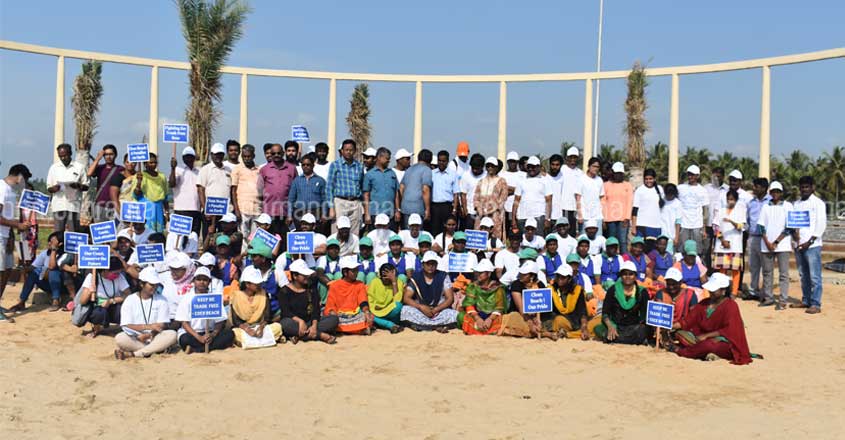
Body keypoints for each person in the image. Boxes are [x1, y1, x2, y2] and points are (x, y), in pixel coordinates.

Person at [668, 272, 752, 364]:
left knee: (709, 345)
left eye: (714, 290)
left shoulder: (731, 305)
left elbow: (730, 330)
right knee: (680, 334)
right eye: (710, 290)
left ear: (723, 291)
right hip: (700, 336)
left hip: (723, 341)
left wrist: (707, 336)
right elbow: (688, 320)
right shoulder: (704, 303)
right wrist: (670, 326)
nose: (711, 292)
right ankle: (704, 353)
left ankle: (681, 351)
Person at [113, 267, 177, 360]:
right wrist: (147, 328)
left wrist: (150, 335)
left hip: (155, 337)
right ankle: (156, 349)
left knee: (172, 334)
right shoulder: (130, 299)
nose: (154, 288)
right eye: (151, 285)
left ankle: (134, 354)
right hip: (136, 337)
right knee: (120, 338)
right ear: (141, 284)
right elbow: (126, 325)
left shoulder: (161, 299)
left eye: (156, 285)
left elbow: (161, 325)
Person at [175, 267, 235, 353]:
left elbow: (220, 321)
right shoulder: (187, 298)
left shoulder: (214, 297)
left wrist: (213, 335)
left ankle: (196, 349)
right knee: (184, 339)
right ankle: (205, 347)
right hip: (193, 333)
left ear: (209, 282)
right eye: (199, 279)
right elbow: (184, 322)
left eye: (205, 280)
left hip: (210, 332)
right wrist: (199, 337)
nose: (201, 282)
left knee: (229, 334)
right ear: (194, 281)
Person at [279, 260, 338, 343]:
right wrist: (300, 321)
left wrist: (314, 325)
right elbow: (286, 312)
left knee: (333, 319)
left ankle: (300, 335)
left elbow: (316, 310)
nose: (307, 277)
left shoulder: (311, 289)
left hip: (310, 321)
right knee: (285, 324)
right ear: (295, 276)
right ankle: (319, 335)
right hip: (294, 322)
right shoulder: (284, 291)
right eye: (304, 275)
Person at [790, 175, 826, 314]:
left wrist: (810, 241)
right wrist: (794, 236)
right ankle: (806, 300)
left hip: (812, 246)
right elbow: (793, 224)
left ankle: (816, 303)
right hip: (798, 245)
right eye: (802, 187)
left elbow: (821, 225)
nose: (804, 189)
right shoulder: (796, 204)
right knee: (803, 275)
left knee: (815, 276)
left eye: (807, 187)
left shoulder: (818, 203)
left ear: (812, 188)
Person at [0, 164, 31, 319]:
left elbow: (8, 216)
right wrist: (17, 225)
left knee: (7, 270)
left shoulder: (11, 191)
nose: (24, 183)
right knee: (0, 272)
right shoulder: (2, 188)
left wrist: (12, 234)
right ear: (19, 176)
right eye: (24, 179)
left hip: (6, 235)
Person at [7, 231, 65, 314]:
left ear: (60, 244)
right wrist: (25, 268)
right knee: (33, 273)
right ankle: (22, 302)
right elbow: (33, 267)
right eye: (49, 241)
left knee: (53, 271)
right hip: (47, 284)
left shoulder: (64, 255)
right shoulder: (45, 253)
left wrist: (54, 250)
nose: (49, 243)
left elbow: (52, 267)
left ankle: (56, 300)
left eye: (52, 242)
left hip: (61, 285)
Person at [400, 251, 458, 332]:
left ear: (436, 265)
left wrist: (437, 309)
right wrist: (421, 307)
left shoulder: (443, 276)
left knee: (453, 314)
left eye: (433, 264)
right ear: (423, 264)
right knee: (405, 310)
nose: (430, 266)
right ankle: (438, 326)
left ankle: (423, 326)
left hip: (439, 310)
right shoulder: (416, 277)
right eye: (428, 264)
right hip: (421, 310)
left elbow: (450, 299)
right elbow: (406, 298)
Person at [595, 261, 650, 345]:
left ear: (635, 276)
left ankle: (618, 339)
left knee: (643, 330)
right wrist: (610, 326)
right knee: (599, 329)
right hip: (616, 325)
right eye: (625, 274)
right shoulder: (613, 290)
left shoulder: (642, 292)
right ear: (621, 276)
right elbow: (605, 313)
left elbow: (645, 314)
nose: (627, 277)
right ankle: (629, 339)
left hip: (633, 327)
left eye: (631, 274)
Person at [757, 181, 793, 310]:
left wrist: (776, 242)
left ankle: (783, 300)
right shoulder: (766, 206)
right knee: (767, 272)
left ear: (781, 193)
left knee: (783, 273)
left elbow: (790, 227)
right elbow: (761, 226)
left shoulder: (788, 206)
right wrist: (767, 242)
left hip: (782, 245)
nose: (775, 194)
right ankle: (769, 298)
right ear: (770, 193)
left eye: (778, 191)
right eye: (773, 191)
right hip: (766, 245)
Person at [499, 261, 557, 339]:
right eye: (521, 273)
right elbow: (521, 309)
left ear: (532, 276)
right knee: (515, 320)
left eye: (524, 274)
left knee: (551, 321)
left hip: (537, 317)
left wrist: (536, 319)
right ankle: (545, 334)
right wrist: (530, 322)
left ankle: (540, 331)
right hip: (521, 315)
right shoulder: (516, 285)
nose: (521, 275)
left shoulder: (540, 285)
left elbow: (542, 304)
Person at [230, 266, 283, 348]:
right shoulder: (236, 296)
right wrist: (247, 329)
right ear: (247, 284)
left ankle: (251, 343)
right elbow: (236, 321)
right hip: (244, 328)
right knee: (234, 333)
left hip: (260, 327)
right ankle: (265, 341)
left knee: (277, 327)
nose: (259, 285)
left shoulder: (263, 294)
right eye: (256, 283)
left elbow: (267, 317)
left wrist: (261, 328)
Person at [79, 257, 131, 337]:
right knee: (99, 313)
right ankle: (96, 328)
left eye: (119, 273)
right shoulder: (92, 277)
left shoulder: (119, 277)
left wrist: (111, 301)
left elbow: (128, 294)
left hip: (113, 305)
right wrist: (90, 291)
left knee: (122, 310)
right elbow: (82, 301)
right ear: (106, 270)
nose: (117, 275)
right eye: (115, 273)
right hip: (97, 308)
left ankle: (124, 327)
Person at [543, 264, 598, 339]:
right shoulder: (550, 290)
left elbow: (582, 311)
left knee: (597, 322)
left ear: (569, 279)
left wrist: (584, 326)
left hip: (575, 321)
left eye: (563, 277)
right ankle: (572, 334)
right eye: (558, 276)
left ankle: (569, 334)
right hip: (559, 321)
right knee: (559, 320)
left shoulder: (577, 290)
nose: (559, 279)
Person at [258, 143, 298, 242]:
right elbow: (259, 189)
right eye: (274, 153)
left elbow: (296, 188)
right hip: (269, 210)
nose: (276, 155)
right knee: (270, 239)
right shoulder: (264, 169)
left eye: (279, 153)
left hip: (285, 211)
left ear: (283, 153)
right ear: (270, 154)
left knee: (284, 239)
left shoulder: (291, 168)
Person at [324, 256, 374, 334]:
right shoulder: (335, 285)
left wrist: (366, 312)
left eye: (357, 270)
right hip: (339, 315)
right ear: (345, 272)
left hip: (355, 314)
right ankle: (357, 330)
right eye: (353, 271)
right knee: (331, 319)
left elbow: (363, 301)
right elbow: (330, 304)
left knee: (368, 317)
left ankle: (346, 330)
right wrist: (333, 313)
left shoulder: (359, 284)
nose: (356, 272)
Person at [46, 143, 88, 232]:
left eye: (65, 156)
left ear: (70, 154)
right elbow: (49, 187)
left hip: (73, 205)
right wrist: (55, 188)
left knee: (73, 232)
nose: (63, 158)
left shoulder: (79, 167)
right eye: (60, 156)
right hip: (58, 205)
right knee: (58, 233)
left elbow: (86, 186)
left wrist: (78, 186)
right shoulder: (54, 168)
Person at [327, 139, 365, 235]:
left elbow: (361, 186)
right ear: (342, 151)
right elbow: (329, 187)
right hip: (340, 202)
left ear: (355, 151)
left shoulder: (359, 166)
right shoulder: (335, 165)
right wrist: (331, 208)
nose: (349, 152)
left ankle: (353, 250)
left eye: (351, 150)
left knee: (354, 232)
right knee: (338, 230)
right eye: (346, 150)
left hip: (355, 202)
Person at [456, 259, 505, 335]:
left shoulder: (498, 288)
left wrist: (490, 319)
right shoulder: (473, 286)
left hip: (493, 316)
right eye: (477, 272)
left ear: (489, 274)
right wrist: (478, 318)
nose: (477, 275)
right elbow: (469, 304)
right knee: (461, 316)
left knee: (503, 319)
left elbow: (499, 307)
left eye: (481, 273)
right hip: (476, 315)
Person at [713, 189, 745, 296]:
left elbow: (742, 226)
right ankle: (723, 291)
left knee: (735, 269)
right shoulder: (721, 211)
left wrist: (731, 221)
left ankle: (734, 292)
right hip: (722, 244)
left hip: (735, 244)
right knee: (722, 269)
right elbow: (715, 227)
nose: (730, 201)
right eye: (728, 199)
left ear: (736, 200)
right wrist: (722, 240)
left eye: (732, 199)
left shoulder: (740, 210)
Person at [677, 165, 710, 266]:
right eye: (689, 174)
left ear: (697, 176)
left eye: (692, 175)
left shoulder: (703, 190)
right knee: (682, 250)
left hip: (697, 225)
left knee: (698, 251)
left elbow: (705, 210)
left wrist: (704, 229)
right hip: (683, 224)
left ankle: (698, 271)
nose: (690, 177)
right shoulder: (680, 188)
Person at [512, 155, 553, 235]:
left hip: (538, 217)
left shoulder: (545, 181)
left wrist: (548, 219)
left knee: (538, 242)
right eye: (529, 166)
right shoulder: (521, 181)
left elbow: (549, 201)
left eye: (533, 167)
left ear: (539, 167)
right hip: (522, 217)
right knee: (524, 242)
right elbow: (516, 200)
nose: (531, 169)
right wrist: (513, 219)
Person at [198, 143, 233, 235]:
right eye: (216, 154)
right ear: (211, 155)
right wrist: (205, 209)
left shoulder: (229, 170)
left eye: (221, 154)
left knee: (223, 239)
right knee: (209, 237)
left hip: (225, 211)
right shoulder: (205, 169)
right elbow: (200, 190)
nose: (218, 156)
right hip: (209, 212)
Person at [745, 177, 771, 301]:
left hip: (765, 238)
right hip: (753, 237)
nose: (754, 189)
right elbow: (748, 220)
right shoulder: (751, 203)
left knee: (766, 267)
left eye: (757, 187)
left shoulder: (771, 202)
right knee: (753, 266)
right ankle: (753, 291)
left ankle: (766, 293)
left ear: (764, 188)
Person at [363, 147, 400, 231]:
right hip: (375, 213)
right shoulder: (370, 174)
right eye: (387, 158)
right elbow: (366, 194)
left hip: (390, 213)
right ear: (379, 157)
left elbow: (396, 193)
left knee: (391, 239)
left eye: (389, 159)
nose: (388, 161)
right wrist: (367, 213)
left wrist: (397, 210)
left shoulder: (392, 173)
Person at [288, 152, 327, 230]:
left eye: (308, 165)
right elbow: (291, 199)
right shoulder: (296, 180)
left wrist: (324, 214)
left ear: (313, 165)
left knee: (316, 235)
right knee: (302, 236)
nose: (306, 167)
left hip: (316, 212)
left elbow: (325, 199)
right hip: (299, 212)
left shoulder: (320, 180)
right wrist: (289, 215)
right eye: (303, 165)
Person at [169, 146, 202, 236]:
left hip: (196, 210)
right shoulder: (178, 170)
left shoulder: (199, 171)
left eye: (190, 156)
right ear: (182, 158)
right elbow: (171, 184)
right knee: (180, 238)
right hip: (181, 210)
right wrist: (172, 168)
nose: (188, 158)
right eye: (186, 156)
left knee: (194, 237)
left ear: (194, 157)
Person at [472, 157, 508, 240]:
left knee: (494, 237)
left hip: (495, 214)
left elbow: (503, 199)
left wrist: (490, 210)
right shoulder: (481, 181)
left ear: (496, 168)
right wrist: (479, 209)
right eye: (488, 166)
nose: (490, 168)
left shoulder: (502, 181)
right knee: (479, 236)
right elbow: (476, 197)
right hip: (480, 214)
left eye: (492, 166)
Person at [86, 144, 124, 222]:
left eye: (111, 154)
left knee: (114, 232)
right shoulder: (100, 168)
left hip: (114, 206)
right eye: (106, 154)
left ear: (115, 155)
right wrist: (97, 159)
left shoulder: (120, 169)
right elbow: (89, 173)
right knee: (100, 231)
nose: (108, 157)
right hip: (100, 205)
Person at [230, 144, 261, 237]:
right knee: (243, 237)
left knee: (255, 236)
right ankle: (243, 252)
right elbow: (233, 190)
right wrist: (236, 210)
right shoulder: (237, 169)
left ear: (253, 156)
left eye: (249, 156)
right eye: (244, 156)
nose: (246, 159)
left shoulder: (259, 170)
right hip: (242, 209)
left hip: (257, 209)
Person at [603, 162, 633, 253]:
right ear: (613, 173)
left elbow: (629, 202)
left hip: (623, 219)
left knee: (623, 241)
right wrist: (604, 218)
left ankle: (624, 260)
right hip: (610, 219)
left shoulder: (627, 185)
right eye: (617, 173)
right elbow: (603, 202)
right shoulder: (606, 185)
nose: (619, 175)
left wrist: (627, 218)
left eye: (620, 173)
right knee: (612, 240)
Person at [631, 168, 664, 253]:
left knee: (654, 251)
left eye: (650, 179)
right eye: (646, 179)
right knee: (641, 250)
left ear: (654, 179)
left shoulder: (660, 189)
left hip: (656, 226)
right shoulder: (640, 190)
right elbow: (635, 210)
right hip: (642, 225)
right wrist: (634, 227)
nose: (648, 181)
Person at [399, 149, 433, 228]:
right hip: (418, 207)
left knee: (407, 233)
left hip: (405, 207)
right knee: (417, 235)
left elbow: (401, 188)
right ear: (430, 160)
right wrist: (427, 209)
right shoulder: (427, 170)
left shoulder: (409, 169)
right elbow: (425, 190)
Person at [367, 263, 405, 333]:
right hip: (376, 312)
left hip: (390, 312)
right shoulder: (375, 282)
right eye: (384, 276)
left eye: (388, 276)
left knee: (398, 306)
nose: (386, 278)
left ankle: (381, 323)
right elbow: (370, 301)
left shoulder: (398, 282)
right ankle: (390, 325)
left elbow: (397, 300)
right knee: (362, 311)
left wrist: (393, 281)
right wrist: (375, 309)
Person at [430, 150, 460, 238]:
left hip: (447, 206)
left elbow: (456, 194)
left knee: (447, 230)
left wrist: (454, 209)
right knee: (434, 229)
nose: (441, 163)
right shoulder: (432, 173)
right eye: (439, 160)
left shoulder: (453, 174)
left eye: (443, 161)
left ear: (447, 161)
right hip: (434, 206)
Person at [135, 153, 168, 232]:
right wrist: (139, 182)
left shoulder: (162, 176)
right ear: (145, 164)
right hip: (147, 209)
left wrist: (167, 212)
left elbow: (165, 196)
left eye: (155, 162)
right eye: (151, 162)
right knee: (147, 232)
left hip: (159, 209)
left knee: (159, 234)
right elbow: (136, 194)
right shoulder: (140, 175)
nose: (153, 165)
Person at [574, 157, 604, 235]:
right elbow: (578, 198)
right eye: (594, 166)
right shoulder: (581, 179)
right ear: (589, 166)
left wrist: (603, 214)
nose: (596, 169)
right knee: (584, 240)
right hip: (585, 216)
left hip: (597, 216)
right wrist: (580, 215)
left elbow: (601, 198)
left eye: (597, 167)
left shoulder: (600, 180)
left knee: (598, 239)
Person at [457, 153, 486, 229]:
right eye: (473, 168)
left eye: (477, 168)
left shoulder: (486, 176)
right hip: (469, 212)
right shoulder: (466, 175)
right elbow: (463, 194)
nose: (474, 170)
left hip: (483, 212)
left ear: (482, 166)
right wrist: (465, 210)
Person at [500, 151, 525, 234]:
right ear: (507, 162)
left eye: (514, 161)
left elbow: (525, 190)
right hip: (506, 209)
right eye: (510, 161)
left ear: (517, 162)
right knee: (506, 232)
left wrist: (510, 189)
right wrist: (518, 190)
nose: (512, 163)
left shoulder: (523, 175)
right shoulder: (502, 175)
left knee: (518, 233)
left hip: (520, 209)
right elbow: (502, 191)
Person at [560, 147, 583, 236]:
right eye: (571, 157)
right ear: (567, 158)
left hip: (575, 208)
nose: (573, 159)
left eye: (575, 157)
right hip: (564, 206)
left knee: (573, 233)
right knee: (563, 232)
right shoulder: (562, 169)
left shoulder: (580, 173)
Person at [110, 154, 138, 222]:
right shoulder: (117, 177)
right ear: (124, 163)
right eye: (127, 162)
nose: (130, 164)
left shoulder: (139, 177)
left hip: (136, 210)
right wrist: (121, 214)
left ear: (136, 163)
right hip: (122, 208)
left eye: (133, 162)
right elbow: (114, 198)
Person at [315, 238, 342, 304]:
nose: (334, 251)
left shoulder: (342, 259)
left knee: (338, 275)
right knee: (327, 277)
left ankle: (339, 301)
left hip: (338, 287)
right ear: (327, 250)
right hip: (327, 284)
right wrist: (332, 285)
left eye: (336, 248)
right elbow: (320, 274)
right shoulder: (322, 259)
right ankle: (324, 303)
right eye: (331, 248)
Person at [659, 183, 682, 253]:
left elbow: (678, 221)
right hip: (660, 234)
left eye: (671, 194)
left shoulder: (677, 203)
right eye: (667, 194)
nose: (669, 196)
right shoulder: (661, 201)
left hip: (670, 236)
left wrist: (677, 237)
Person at [545, 154, 565, 225]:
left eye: (557, 165)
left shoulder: (563, 177)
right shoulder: (544, 178)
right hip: (546, 217)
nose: (554, 167)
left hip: (559, 216)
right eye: (552, 164)